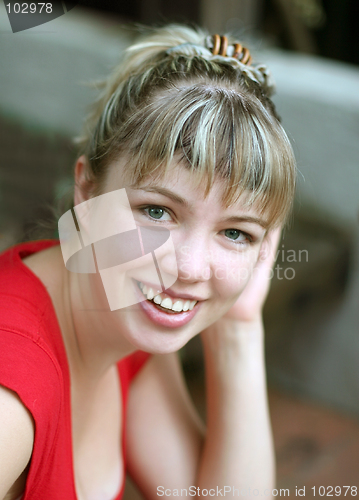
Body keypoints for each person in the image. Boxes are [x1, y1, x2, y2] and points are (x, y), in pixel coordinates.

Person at [0, 24, 296, 500]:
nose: (191, 266)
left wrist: (240, 325)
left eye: (235, 232)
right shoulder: (9, 397)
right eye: (156, 211)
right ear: (87, 190)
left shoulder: (120, 312)